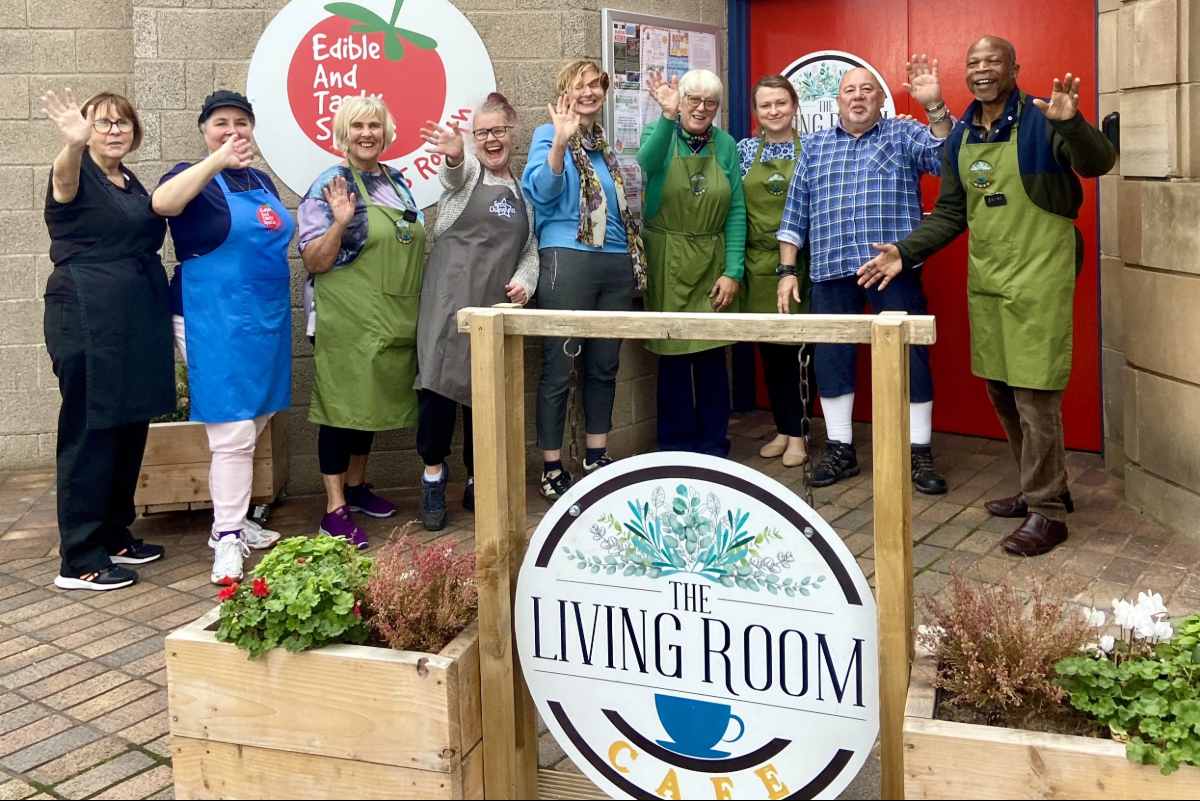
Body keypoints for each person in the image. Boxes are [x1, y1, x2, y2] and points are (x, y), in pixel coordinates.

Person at [858, 37, 1115, 556]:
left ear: (1014, 68)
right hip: (990, 278)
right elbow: (953, 213)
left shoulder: (1044, 119)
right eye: (973, 62)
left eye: (993, 61)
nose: (982, 70)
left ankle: (1049, 512)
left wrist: (1071, 124)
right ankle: (1041, 485)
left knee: (1035, 394)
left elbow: (1097, 163)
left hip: (1038, 276)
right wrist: (904, 253)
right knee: (1001, 388)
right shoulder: (959, 138)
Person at [777, 56, 954, 494]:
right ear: (836, 101)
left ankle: (919, 452)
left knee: (911, 359)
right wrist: (786, 270)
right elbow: (795, 212)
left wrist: (935, 108)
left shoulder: (902, 133)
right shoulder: (815, 147)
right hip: (831, 271)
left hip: (892, 270)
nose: (857, 98)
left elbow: (944, 156)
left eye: (866, 90)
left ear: (881, 99)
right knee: (832, 360)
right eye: (849, 91)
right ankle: (841, 449)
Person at [152, 90, 289, 585]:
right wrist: (214, 162)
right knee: (232, 432)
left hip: (264, 317)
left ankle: (236, 521)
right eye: (220, 124)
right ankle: (227, 535)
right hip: (212, 317)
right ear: (204, 131)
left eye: (241, 123)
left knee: (256, 420)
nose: (232, 131)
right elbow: (162, 203)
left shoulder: (260, 180)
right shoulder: (188, 175)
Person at [41, 89, 171, 591]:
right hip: (86, 313)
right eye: (103, 123)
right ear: (85, 129)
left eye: (123, 123)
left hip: (133, 317)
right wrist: (72, 145)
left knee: (128, 422)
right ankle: (79, 557)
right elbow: (62, 180)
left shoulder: (130, 181)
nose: (114, 130)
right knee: (91, 429)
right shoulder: (77, 173)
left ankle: (115, 533)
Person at [298, 96, 424, 548]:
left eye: (374, 125)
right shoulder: (330, 184)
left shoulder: (397, 180)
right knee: (341, 410)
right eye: (357, 126)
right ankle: (334, 508)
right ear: (343, 133)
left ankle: (356, 487)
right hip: (346, 316)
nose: (367, 133)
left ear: (386, 132)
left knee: (366, 407)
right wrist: (340, 222)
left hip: (391, 315)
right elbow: (313, 260)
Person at [522, 60, 646, 499]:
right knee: (559, 365)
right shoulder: (547, 134)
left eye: (597, 84)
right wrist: (558, 141)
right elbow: (541, 191)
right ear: (565, 92)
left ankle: (596, 454)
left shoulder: (603, 145)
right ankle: (552, 465)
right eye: (580, 85)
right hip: (567, 258)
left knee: (604, 364)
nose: (590, 91)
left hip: (614, 262)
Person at [415, 93, 537, 530]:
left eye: (498, 130)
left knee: (483, 396)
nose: (491, 139)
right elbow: (455, 174)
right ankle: (433, 478)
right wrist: (454, 157)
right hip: (448, 298)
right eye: (482, 133)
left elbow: (530, 250)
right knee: (437, 388)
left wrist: (525, 282)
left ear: (513, 130)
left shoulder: (524, 192)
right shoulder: (468, 176)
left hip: (494, 304)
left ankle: (476, 479)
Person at [639, 68, 744, 456]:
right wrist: (667, 117)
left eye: (710, 102)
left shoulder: (726, 145)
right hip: (667, 255)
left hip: (711, 258)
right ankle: (676, 445)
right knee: (674, 356)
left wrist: (733, 270)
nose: (701, 108)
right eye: (693, 99)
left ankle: (715, 445)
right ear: (679, 101)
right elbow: (648, 164)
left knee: (712, 354)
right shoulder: (658, 133)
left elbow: (735, 210)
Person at [737, 74, 815, 468]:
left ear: (794, 105)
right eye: (765, 105)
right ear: (757, 112)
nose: (773, 111)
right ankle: (783, 428)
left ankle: (800, 435)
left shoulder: (814, 149)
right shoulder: (745, 151)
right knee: (769, 352)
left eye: (780, 103)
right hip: (757, 264)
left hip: (801, 264)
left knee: (799, 353)